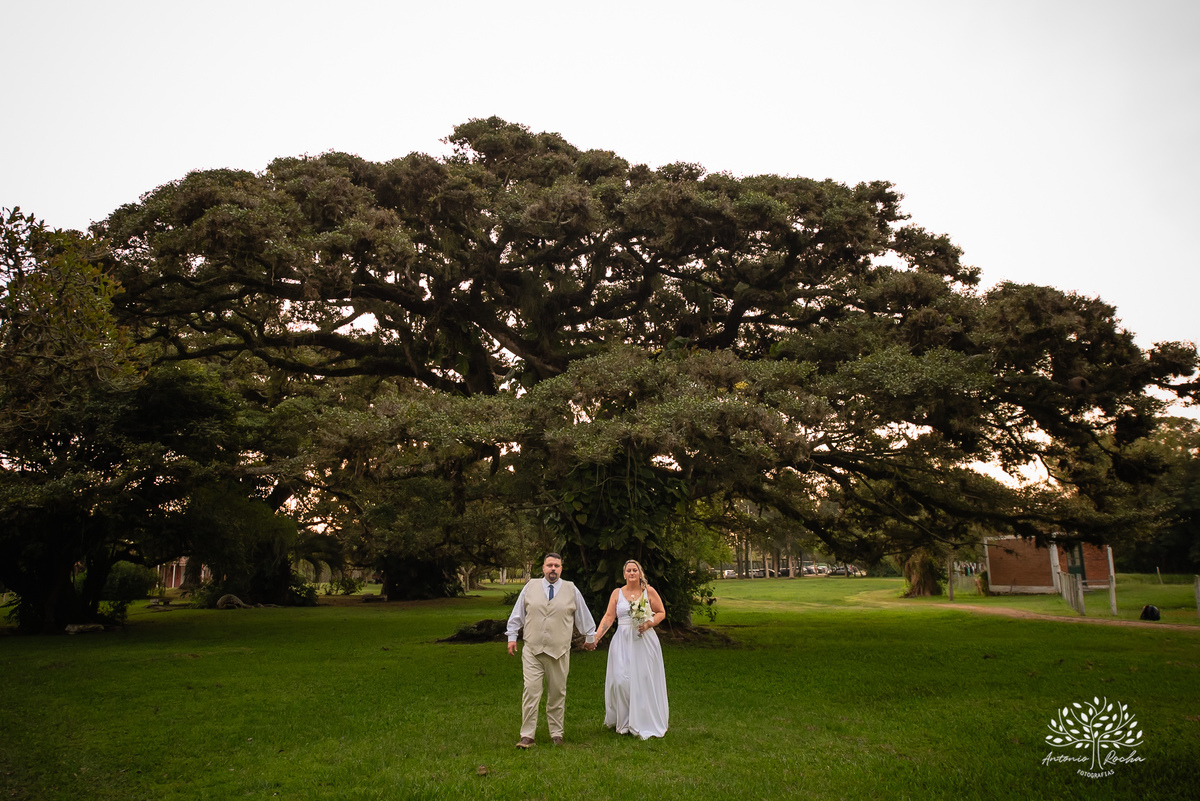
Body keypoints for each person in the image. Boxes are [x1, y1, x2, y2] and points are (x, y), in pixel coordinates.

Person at [505, 552, 597, 748]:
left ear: (561, 569)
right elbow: (517, 614)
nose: (553, 569)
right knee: (531, 691)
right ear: (543, 568)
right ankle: (527, 735)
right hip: (532, 650)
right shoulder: (530, 587)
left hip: (559, 651)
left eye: (556, 565)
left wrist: (590, 638)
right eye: (549, 565)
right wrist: (512, 637)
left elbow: (584, 616)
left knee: (557, 693)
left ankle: (556, 734)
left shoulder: (571, 589)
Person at [595, 559, 669, 738]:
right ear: (624, 574)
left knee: (642, 680)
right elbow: (609, 617)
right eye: (628, 570)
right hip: (622, 641)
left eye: (635, 570)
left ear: (640, 572)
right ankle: (623, 722)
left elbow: (661, 612)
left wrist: (649, 623)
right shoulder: (617, 593)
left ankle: (641, 721)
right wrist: (596, 638)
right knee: (620, 680)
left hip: (643, 641)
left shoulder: (648, 591)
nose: (632, 573)